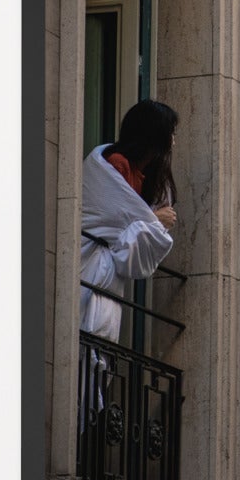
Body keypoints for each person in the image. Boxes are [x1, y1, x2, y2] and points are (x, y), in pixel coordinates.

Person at [80, 98, 179, 343]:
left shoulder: (145, 175)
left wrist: (149, 222)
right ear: (154, 135)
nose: (173, 141)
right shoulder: (118, 164)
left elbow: (131, 224)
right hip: (92, 262)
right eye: (170, 133)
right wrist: (155, 220)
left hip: (110, 274)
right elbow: (114, 217)